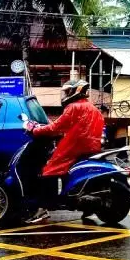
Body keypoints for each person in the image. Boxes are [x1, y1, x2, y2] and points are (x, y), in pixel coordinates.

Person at [26, 79, 104, 223]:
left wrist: (36, 130)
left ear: (76, 91)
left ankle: (44, 207)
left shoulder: (73, 107)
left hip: (75, 145)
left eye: (68, 91)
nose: (65, 94)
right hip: (92, 147)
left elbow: (56, 127)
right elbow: (71, 127)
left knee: (49, 170)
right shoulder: (94, 109)